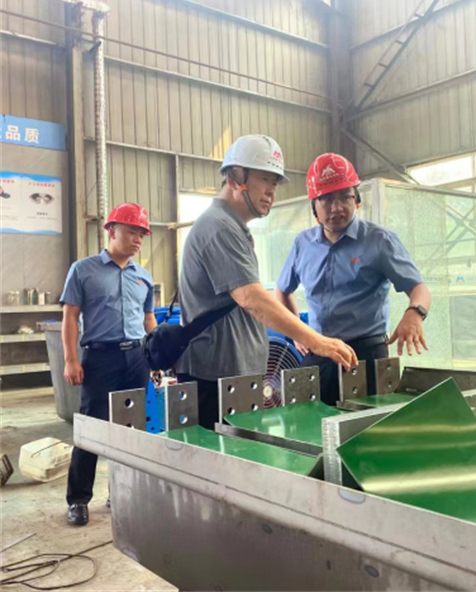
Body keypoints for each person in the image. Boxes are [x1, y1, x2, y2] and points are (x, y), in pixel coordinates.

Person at [176, 135, 357, 429]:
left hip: (233, 377)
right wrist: (317, 341)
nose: (271, 191)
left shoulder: (232, 227)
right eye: (264, 180)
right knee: (221, 457)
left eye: (275, 182)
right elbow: (252, 298)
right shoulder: (218, 227)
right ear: (235, 179)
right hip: (215, 380)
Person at [275, 153, 431, 405]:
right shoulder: (302, 244)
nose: (336, 207)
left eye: (344, 196)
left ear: (357, 200)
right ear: (314, 207)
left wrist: (415, 313)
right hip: (319, 353)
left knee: (369, 425)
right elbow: (282, 291)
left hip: (366, 355)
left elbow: (419, 289)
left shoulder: (380, 241)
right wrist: (298, 333)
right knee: (307, 421)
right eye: (326, 199)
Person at [61, 203, 156, 526]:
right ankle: (78, 499)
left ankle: (122, 491)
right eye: (132, 232)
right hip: (100, 359)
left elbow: (148, 319)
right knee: (92, 427)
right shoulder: (83, 270)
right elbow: (70, 316)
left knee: (131, 428)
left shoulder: (143, 277)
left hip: (137, 359)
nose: (138, 239)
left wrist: (157, 354)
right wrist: (71, 360)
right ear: (112, 230)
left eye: (142, 234)